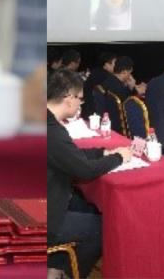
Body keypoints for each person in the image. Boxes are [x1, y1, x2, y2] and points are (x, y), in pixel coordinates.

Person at [47, 69, 130, 278]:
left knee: (90, 207)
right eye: (80, 99)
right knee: (103, 227)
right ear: (68, 98)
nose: (81, 105)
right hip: (46, 216)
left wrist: (102, 152)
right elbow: (85, 170)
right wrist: (119, 157)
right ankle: (67, 272)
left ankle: (55, 265)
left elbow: (70, 154)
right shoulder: (52, 131)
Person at [81, 52, 116, 119]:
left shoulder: (96, 71)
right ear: (106, 64)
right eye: (115, 63)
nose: (117, 66)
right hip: (95, 114)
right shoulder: (106, 77)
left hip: (87, 110)